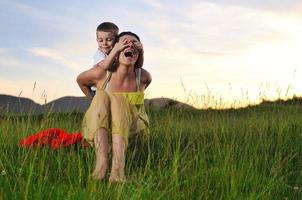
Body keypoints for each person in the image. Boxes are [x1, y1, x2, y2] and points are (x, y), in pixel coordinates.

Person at [79, 32, 151, 182]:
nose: (130, 45)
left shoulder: (143, 77)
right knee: (102, 96)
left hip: (133, 131)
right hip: (102, 131)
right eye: (125, 42)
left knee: (118, 101)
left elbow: (138, 65)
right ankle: (101, 165)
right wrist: (94, 100)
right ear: (116, 51)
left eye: (135, 44)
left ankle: (118, 171)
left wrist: (141, 50)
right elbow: (80, 80)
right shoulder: (102, 74)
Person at [77, 22, 119, 99]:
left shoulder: (116, 53)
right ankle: (91, 99)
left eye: (109, 40)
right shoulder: (99, 54)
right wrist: (115, 50)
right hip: (98, 89)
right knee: (100, 107)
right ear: (97, 40)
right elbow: (105, 66)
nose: (104, 43)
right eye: (100, 40)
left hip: (110, 88)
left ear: (116, 40)